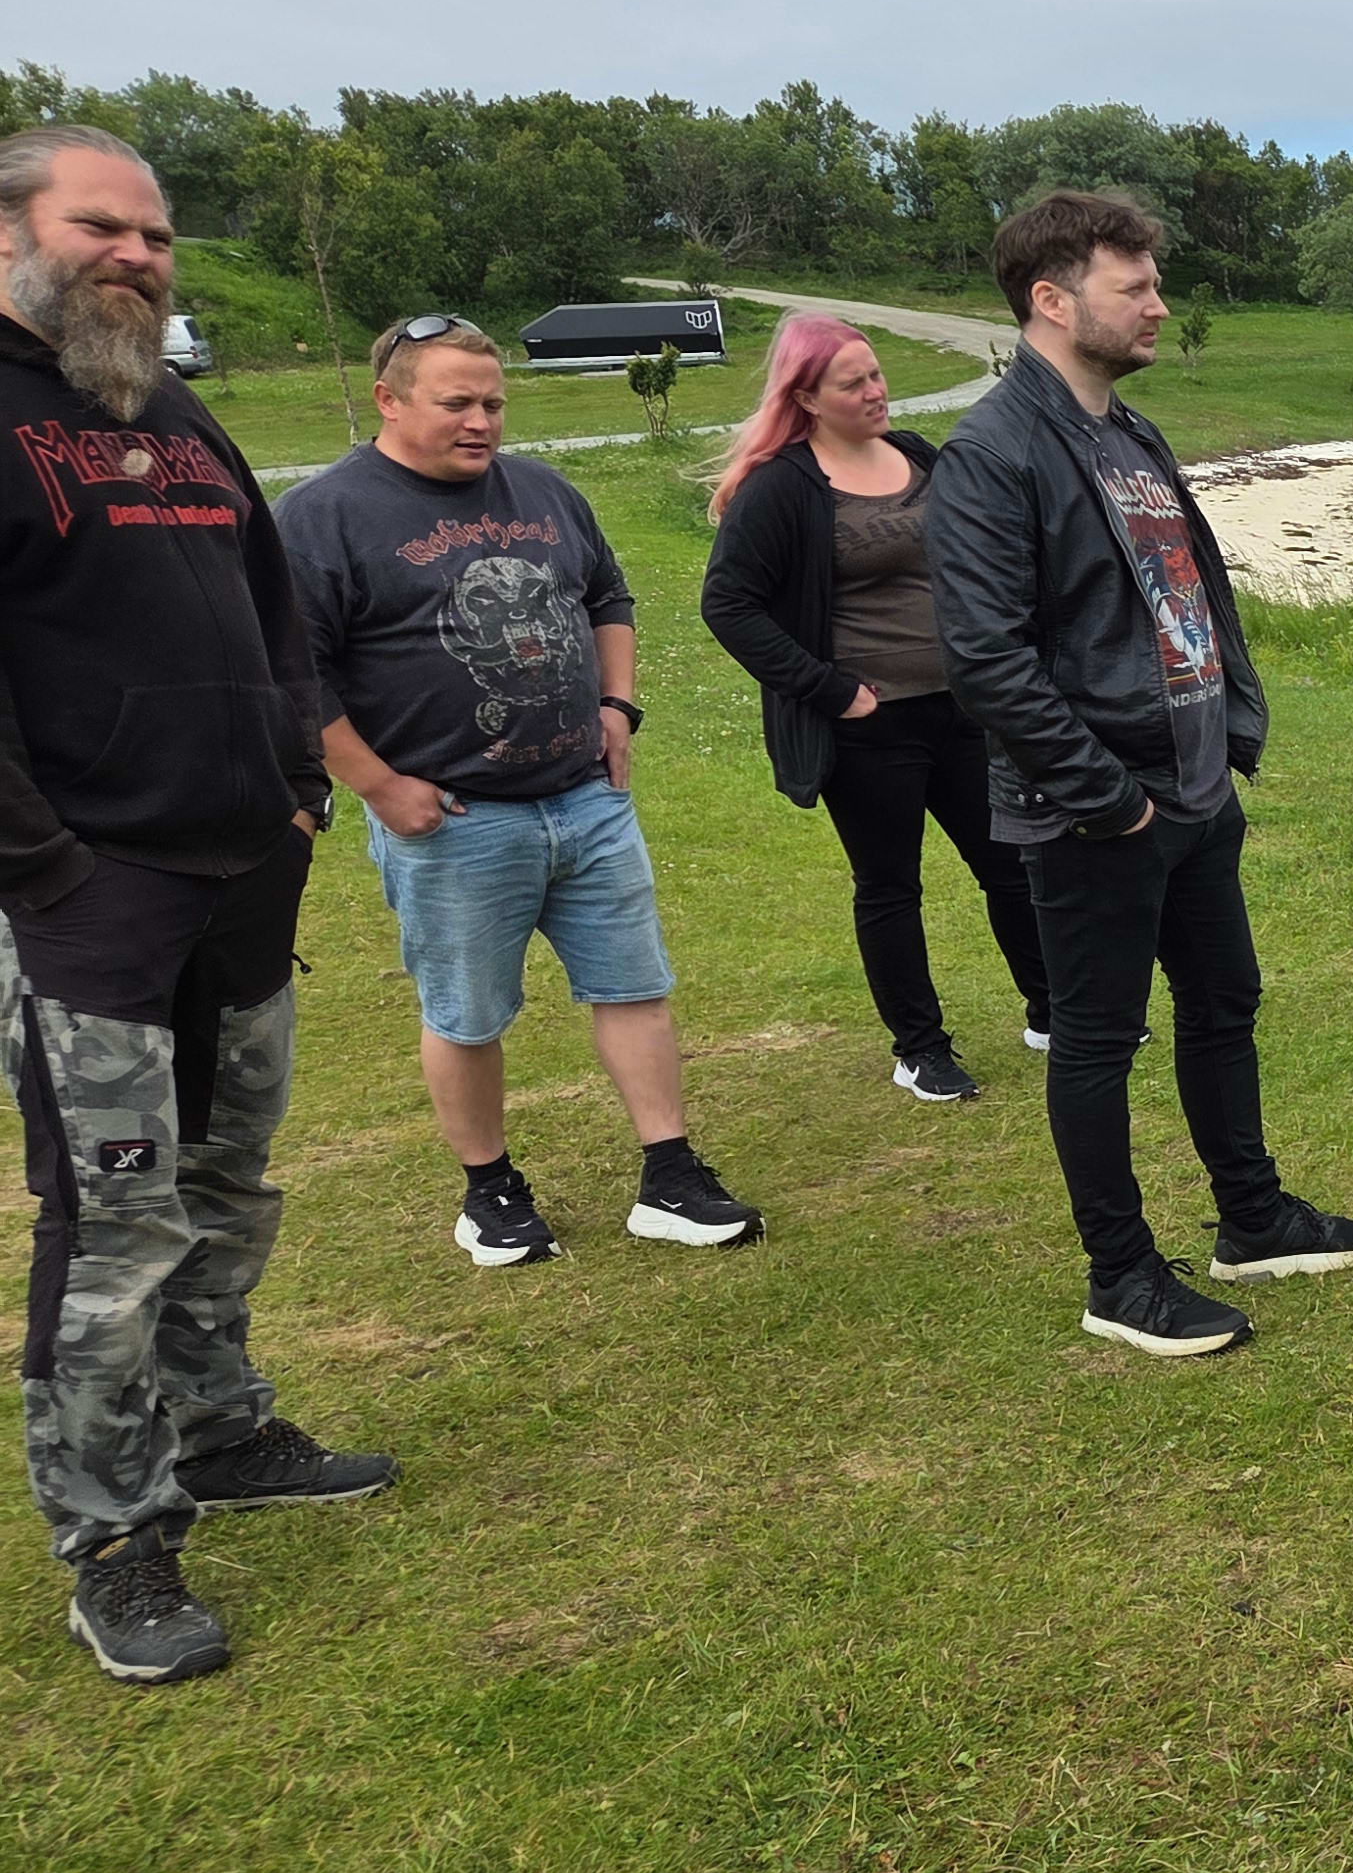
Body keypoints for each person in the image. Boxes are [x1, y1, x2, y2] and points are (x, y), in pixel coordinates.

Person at [1, 123, 395, 1686]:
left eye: (156, 235)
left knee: (230, 1183)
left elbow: (272, 609)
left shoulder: (168, 409)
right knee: (111, 1224)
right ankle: (113, 1540)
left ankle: (221, 1430)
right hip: (88, 899)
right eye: (102, 226)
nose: (138, 256)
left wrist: (297, 783)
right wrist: (47, 867)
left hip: (245, 872)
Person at [926, 190, 1353, 1358]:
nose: (1158, 304)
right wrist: (1109, 800)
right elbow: (985, 659)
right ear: (1052, 300)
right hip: (1099, 811)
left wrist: (1226, 731)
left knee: (1224, 1000)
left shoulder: (1129, 435)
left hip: (1192, 786)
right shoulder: (993, 454)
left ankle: (1253, 1218)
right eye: (1132, 286)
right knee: (1098, 1039)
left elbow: (1192, 593)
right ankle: (1120, 1278)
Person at [281, 317, 763, 1267]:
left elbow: (607, 597)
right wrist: (379, 787)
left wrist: (617, 705)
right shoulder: (323, 514)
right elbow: (293, 671)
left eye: (494, 403)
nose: (482, 421)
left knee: (635, 988)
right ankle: (490, 1192)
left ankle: (669, 1175)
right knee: (467, 1014)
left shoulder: (543, 489)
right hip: (455, 823)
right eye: (456, 402)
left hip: (584, 799)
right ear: (389, 400)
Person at [701, 312, 1051, 1102]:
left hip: (964, 708)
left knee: (1008, 863)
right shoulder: (784, 486)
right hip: (869, 726)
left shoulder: (918, 455)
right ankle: (921, 1050)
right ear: (807, 398)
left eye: (876, 373)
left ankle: (1051, 1011)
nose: (874, 390)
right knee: (891, 887)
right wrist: (830, 690)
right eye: (852, 382)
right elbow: (728, 604)